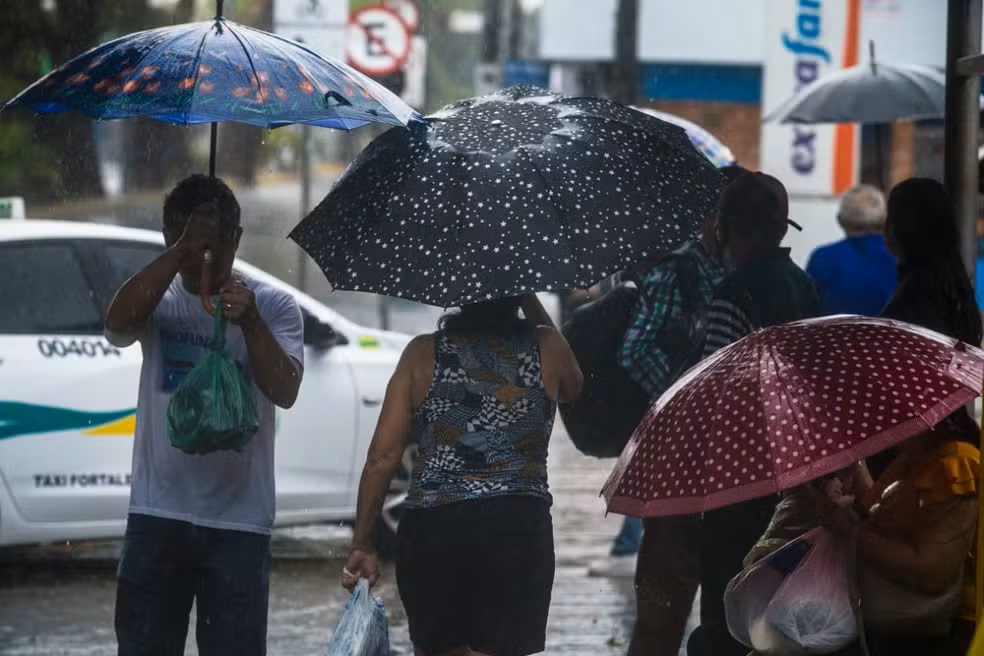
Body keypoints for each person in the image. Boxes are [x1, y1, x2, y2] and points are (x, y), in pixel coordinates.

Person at [104, 175, 305, 656]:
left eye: (213, 244)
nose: (202, 258)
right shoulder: (161, 298)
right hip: (158, 514)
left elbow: (286, 390)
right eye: (186, 241)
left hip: (239, 525)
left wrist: (251, 322)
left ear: (235, 239)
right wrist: (180, 252)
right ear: (167, 236)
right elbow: (116, 327)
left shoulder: (273, 305)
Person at [341, 295, 582, 656]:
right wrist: (529, 300)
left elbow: (382, 458)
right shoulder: (546, 346)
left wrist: (363, 542)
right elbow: (574, 387)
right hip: (516, 527)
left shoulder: (421, 354)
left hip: (435, 528)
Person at [589, 165, 749, 587]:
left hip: (739, 450)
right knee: (667, 587)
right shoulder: (675, 272)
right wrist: (682, 396)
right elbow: (635, 349)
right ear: (715, 218)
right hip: (681, 445)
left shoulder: (753, 272)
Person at [687, 172, 820, 656]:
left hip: (739, 476)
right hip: (798, 468)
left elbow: (716, 391)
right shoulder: (803, 285)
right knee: (776, 607)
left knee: (728, 610)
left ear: (727, 228)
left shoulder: (734, 291)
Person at [806, 184, 897, 316]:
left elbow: (806, 316)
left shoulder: (822, 258)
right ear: (885, 220)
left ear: (840, 221)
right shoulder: (906, 259)